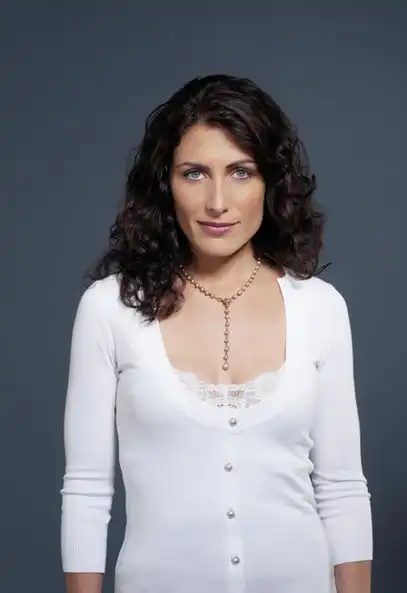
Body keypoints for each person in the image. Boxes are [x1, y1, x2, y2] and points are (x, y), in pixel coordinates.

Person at [60, 74, 373, 593]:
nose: (217, 202)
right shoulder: (109, 309)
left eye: (241, 172)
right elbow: (87, 490)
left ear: (270, 182)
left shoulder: (321, 308)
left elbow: (341, 488)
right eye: (195, 173)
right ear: (166, 183)